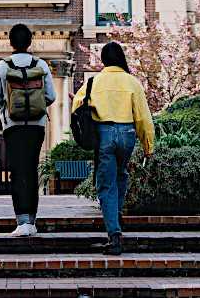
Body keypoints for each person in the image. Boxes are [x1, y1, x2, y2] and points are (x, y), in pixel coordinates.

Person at [71, 42, 154, 255]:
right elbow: (143, 117)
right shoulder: (132, 82)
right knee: (120, 175)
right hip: (127, 134)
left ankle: (114, 235)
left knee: (105, 184)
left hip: (104, 134)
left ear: (103, 60)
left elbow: (77, 107)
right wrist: (148, 146)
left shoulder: (94, 82)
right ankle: (116, 215)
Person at [0, 23, 57, 237]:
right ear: (30, 42)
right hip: (37, 125)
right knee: (32, 168)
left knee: (17, 171)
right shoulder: (41, 64)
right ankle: (33, 220)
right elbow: (51, 97)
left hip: (13, 126)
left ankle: (22, 221)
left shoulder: (2, 66)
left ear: (10, 43)